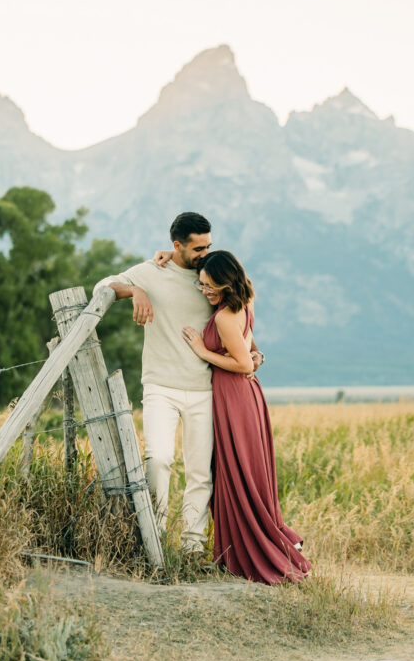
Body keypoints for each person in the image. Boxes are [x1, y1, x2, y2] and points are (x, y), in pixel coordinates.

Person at [94, 213, 262, 556]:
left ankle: (192, 547)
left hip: (205, 388)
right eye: (198, 247)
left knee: (201, 471)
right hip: (160, 387)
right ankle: (153, 536)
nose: (205, 252)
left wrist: (255, 353)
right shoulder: (151, 271)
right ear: (176, 246)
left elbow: (238, 312)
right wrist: (136, 290)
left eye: (208, 245)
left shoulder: (211, 275)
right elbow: (102, 287)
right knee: (158, 459)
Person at [181, 250, 311, 584]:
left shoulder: (225, 316)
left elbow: (241, 364)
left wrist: (202, 351)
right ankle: (248, 546)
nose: (204, 291)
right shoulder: (245, 303)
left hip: (234, 397)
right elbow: (249, 352)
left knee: (237, 473)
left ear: (225, 282)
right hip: (244, 397)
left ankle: (252, 551)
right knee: (238, 472)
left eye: (209, 285)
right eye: (201, 285)